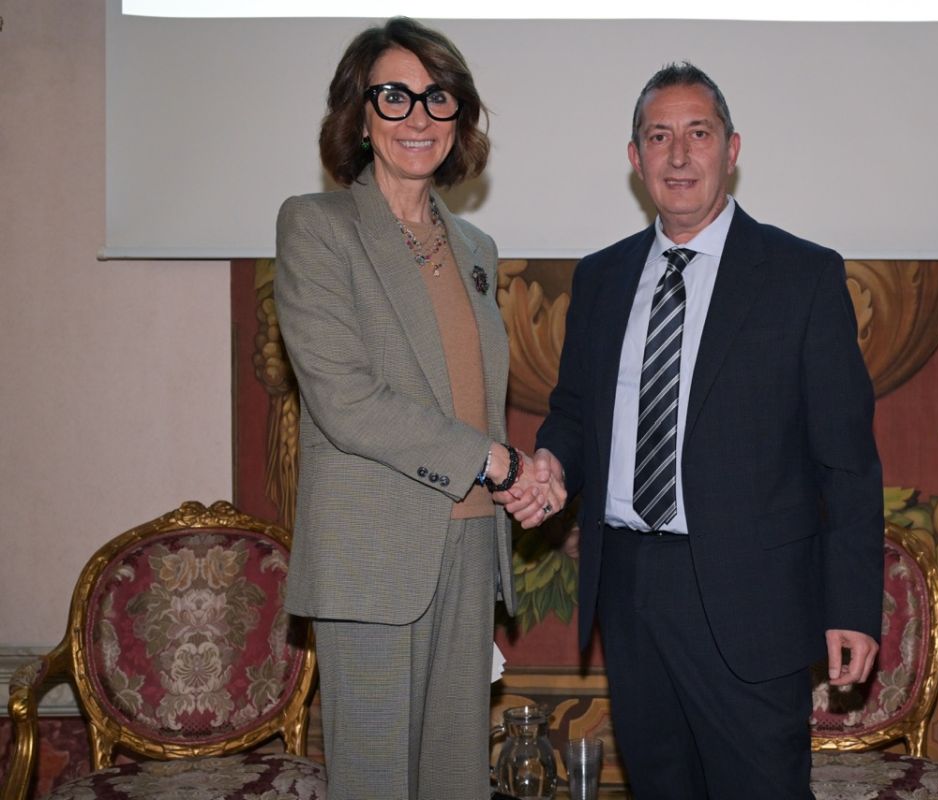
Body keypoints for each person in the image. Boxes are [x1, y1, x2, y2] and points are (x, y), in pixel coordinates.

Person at [509, 63, 884, 798]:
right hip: (629, 592)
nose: (679, 155)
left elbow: (847, 463)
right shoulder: (601, 277)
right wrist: (553, 459)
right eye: (659, 136)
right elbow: (576, 411)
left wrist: (850, 607)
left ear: (731, 149)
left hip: (752, 601)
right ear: (635, 157)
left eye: (698, 134)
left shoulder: (802, 276)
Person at [274, 18, 547, 800]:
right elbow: (345, 398)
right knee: (376, 785)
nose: (418, 116)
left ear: (459, 116)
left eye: (438, 97)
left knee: (457, 783)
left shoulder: (475, 248)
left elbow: (470, 395)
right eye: (394, 97)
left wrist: (518, 479)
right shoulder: (317, 226)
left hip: (470, 544)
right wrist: (495, 463)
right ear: (360, 116)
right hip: (372, 558)